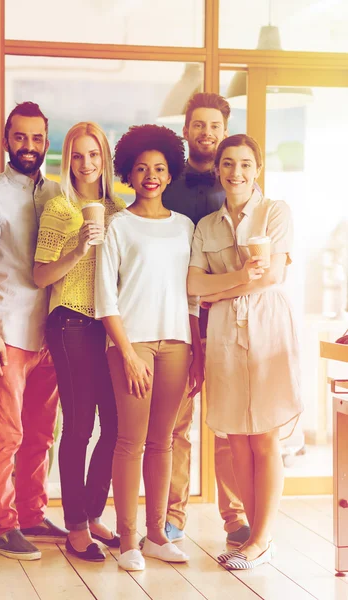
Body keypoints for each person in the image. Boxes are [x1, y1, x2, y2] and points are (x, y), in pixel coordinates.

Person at [188, 134, 303, 569]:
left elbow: (271, 277)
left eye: (245, 164)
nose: (236, 173)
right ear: (217, 168)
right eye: (229, 164)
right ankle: (256, 540)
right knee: (236, 435)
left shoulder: (276, 212)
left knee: (265, 435)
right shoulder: (206, 227)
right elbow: (194, 286)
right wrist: (237, 278)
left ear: (257, 170)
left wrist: (223, 287)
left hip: (268, 326)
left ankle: (261, 538)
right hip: (222, 332)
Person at [95, 124, 204, 571]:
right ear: (129, 173)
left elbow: (192, 295)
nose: (151, 176)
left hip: (177, 342)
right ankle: (127, 542)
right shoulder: (118, 224)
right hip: (131, 344)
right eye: (142, 168)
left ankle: (157, 534)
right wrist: (126, 352)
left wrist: (196, 349)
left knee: (163, 443)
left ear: (170, 172)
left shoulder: (185, 227)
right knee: (129, 442)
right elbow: (105, 296)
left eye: (159, 168)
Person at [0, 101, 68, 561]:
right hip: (8, 329)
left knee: (42, 433)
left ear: (47, 142)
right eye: (20, 137)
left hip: (52, 333)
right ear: (7, 139)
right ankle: (3, 525)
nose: (29, 146)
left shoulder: (56, 196)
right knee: (5, 433)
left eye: (37, 138)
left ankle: (31, 514)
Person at [33, 122, 125, 561]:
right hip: (69, 324)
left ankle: (92, 513)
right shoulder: (60, 208)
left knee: (116, 425)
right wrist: (77, 250)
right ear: (67, 159)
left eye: (94, 155)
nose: (86, 164)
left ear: (104, 158)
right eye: (77, 155)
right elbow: (40, 276)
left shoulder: (118, 209)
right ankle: (74, 526)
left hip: (107, 327)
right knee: (80, 426)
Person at [162, 92, 249, 547]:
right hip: (176, 320)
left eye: (215, 125)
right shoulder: (167, 186)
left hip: (225, 320)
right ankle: (171, 518)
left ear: (224, 128)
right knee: (176, 425)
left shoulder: (236, 188)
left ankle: (235, 519)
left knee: (228, 421)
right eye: (199, 125)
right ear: (186, 130)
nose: (207, 133)